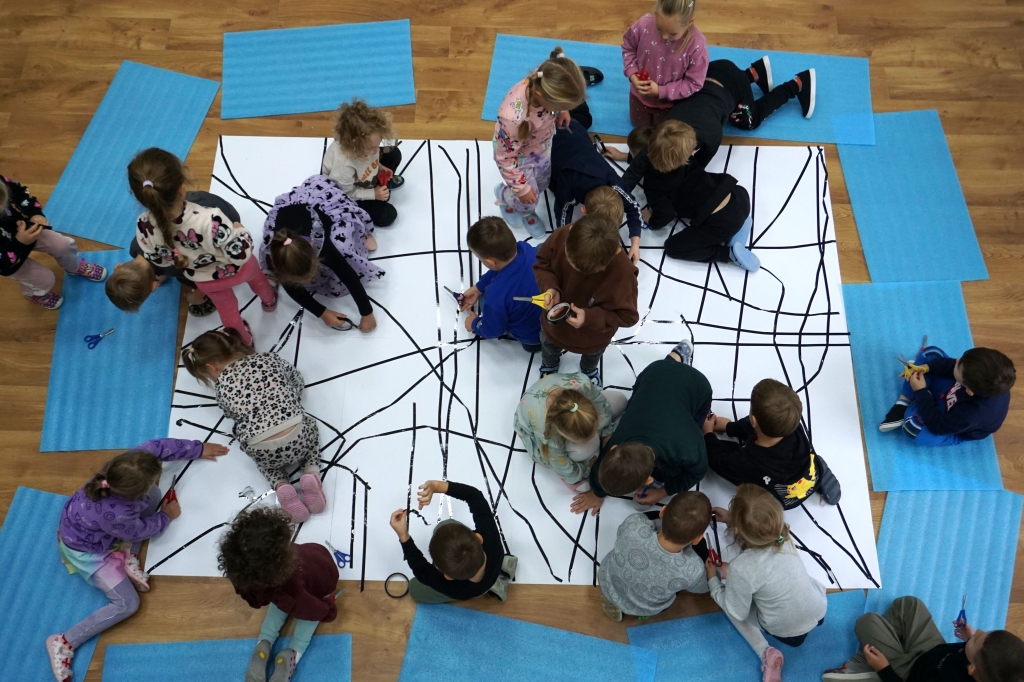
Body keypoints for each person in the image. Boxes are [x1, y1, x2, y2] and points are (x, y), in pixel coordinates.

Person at [46, 440, 228, 682]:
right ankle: (64, 641)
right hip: (86, 550)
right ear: (132, 495)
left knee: (154, 495)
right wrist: (165, 517)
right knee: (128, 604)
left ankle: (128, 555)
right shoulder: (118, 514)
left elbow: (160, 446)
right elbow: (140, 530)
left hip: (87, 523)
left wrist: (198, 449)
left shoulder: (128, 463)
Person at [128, 148, 276, 347]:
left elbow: (159, 260)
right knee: (259, 280)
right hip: (241, 270)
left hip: (205, 281)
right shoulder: (210, 219)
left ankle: (245, 341)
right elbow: (241, 254)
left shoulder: (143, 225)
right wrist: (240, 230)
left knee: (227, 311)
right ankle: (269, 302)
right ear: (182, 189)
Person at [181, 329, 325, 523]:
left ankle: (281, 484)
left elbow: (231, 415)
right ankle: (310, 472)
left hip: (263, 450)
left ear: (211, 367)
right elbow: (297, 380)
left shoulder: (221, 388)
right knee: (311, 427)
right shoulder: (268, 358)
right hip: (297, 436)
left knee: (264, 462)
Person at [605, 56, 815, 182]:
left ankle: (797, 84)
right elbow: (650, 155)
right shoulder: (666, 130)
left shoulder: (711, 136)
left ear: (691, 153)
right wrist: (626, 157)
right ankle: (754, 71)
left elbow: (694, 172)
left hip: (733, 87)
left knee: (750, 121)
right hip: (715, 70)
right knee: (723, 92)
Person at [573, 340, 711, 515]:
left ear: (648, 479)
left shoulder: (686, 448)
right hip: (655, 372)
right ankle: (675, 357)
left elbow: (697, 472)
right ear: (614, 448)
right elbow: (602, 467)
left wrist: (663, 491)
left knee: (674, 471)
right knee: (644, 394)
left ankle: (676, 357)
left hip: (697, 386)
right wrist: (597, 493)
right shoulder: (621, 439)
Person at [706, 484, 828, 682]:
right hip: (819, 608)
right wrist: (732, 518)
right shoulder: (783, 536)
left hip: (787, 632)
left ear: (737, 530)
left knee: (732, 606)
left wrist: (713, 581)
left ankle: (764, 650)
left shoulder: (740, 567)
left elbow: (737, 612)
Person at [219, 507, 340, 682]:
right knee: (305, 620)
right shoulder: (288, 580)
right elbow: (312, 609)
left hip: (300, 582)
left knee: (277, 607)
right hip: (319, 570)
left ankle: (264, 642)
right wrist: (329, 610)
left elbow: (255, 598)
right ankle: (292, 653)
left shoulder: (251, 577)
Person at [259, 176, 382, 332]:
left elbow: (348, 274)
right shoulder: (278, 253)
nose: (309, 280)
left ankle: (362, 233)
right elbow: (291, 288)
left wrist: (367, 313)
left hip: (321, 207)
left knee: (342, 246)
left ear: (314, 252)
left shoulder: (323, 246)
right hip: (289, 218)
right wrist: (322, 313)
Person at [533, 214, 639, 386]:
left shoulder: (623, 275)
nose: (572, 269)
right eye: (569, 259)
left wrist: (590, 317)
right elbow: (542, 262)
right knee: (549, 346)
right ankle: (550, 365)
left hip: (592, 338)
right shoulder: (561, 235)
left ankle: (588, 370)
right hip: (553, 327)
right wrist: (551, 287)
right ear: (571, 231)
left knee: (592, 356)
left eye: (581, 269)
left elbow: (628, 317)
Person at [493, 46, 587, 238]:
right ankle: (507, 197)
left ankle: (523, 204)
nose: (562, 109)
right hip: (518, 158)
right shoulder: (513, 119)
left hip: (542, 146)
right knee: (529, 197)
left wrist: (562, 110)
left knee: (543, 182)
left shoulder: (547, 75)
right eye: (560, 105)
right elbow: (505, 158)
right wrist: (521, 189)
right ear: (540, 96)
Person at [823, 596, 1024, 682]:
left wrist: (884, 669)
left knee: (866, 622)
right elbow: (976, 651)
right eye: (983, 632)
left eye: (977, 639)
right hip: (932, 652)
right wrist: (970, 639)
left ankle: (872, 666)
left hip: (909, 675)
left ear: (973, 670)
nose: (978, 631)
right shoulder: (985, 665)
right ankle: (885, 645)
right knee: (910, 604)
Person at [704, 378, 836, 509]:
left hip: (780, 499)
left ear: (754, 420)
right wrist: (729, 427)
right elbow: (752, 426)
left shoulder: (749, 462)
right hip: (808, 473)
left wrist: (708, 434)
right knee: (809, 465)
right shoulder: (791, 423)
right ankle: (818, 472)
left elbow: (722, 463)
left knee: (724, 457)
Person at [106, 190, 242, 316]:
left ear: (153, 286)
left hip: (227, 223)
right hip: (200, 201)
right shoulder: (135, 246)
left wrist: (197, 295)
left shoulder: (177, 266)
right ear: (118, 266)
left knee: (189, 279)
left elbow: (207, 274)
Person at [389, 480, 516, 603]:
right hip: (494, 561)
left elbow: (422, 570)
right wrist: (437, 486)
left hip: (478, 589)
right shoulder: (491, 539)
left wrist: (403, 536)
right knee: (445, 526)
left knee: (414, 589)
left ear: (448, 577)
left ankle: (494, 585)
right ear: (478, 538)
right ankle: (501, 567)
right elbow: (474, 496)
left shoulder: (457, 590)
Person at [549, 109, 647, 264]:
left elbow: (633, 207)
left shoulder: (613, 181)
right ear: (583, 210)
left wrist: (635, 243)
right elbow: (562, 215)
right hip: (553, 138)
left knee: (581, 117)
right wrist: (565, 242)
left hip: (576, 131)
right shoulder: (568, 189)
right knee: (552, 186)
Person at [598, 490, 712, 621]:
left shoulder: (633, 524)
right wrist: (717, 572)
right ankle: (639, 612)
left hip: (608, 578)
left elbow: (621, 531)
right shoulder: (692, 569)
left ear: (662, 512)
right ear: (697, 539)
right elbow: (703, 587)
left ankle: (611, 597)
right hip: (643, 607)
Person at [1, 175, 106, 310]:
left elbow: (18, 191)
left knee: (63, 245)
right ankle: (34, 293)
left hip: (25, 229)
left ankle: (74, 267)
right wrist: (19, 243)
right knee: (44, 279)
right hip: (7, 260)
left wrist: (34, 213)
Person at [879, 345, 1015, 446]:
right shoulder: (984, 378)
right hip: (951, 392)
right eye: (961, 359)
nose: (957, 360)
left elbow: (937, 426)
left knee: (913, 430)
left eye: (959, 364)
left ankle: (920, 394)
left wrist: (920, 391)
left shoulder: (970, 415)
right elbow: (951, 365)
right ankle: (903, 403)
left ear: (969, 390)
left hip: (949, 424)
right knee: (931, 353)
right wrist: (926, 367)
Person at [513, 372, 628, 489]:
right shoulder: (547, 431)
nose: (594, 435)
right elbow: (559, 462)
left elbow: (600, 402)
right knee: (584, 476)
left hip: (553, 397)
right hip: (534, 421)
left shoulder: (583, 384)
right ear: (563, 434)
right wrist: (587, 468)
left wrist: (606, 433)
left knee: (620, 400)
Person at [458, 216, 542, 352]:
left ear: (490, 262)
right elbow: (501, 269)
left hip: (534, 337)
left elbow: (492, 330)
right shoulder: (525, 248)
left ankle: (533, 345)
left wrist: (474, 323)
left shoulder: (495, 296)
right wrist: (478, 288)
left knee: (485, 302)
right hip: (558, 320)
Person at [622, 0, 709, 128]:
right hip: (638, 97)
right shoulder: (643, 24)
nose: (664, 36)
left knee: (663, 134)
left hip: (671, 104)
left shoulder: (696, 45)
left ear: (690, 22)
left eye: (672, 33)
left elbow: (694, 83)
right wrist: (632, 73)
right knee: (639, 128)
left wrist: (661, 91)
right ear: (656, 14)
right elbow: (628, 48)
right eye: (659, 28)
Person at [322, 98, 404, 228]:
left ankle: (380, 186)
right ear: (355, 145)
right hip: (349, 192)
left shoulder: (366, 146)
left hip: (363, 174)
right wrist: (373, 194)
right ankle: (377, 193)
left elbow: (372, 155)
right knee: (388, 215)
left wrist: (379, 166)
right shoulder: (343, 167)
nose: (377, 150)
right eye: (372, 148)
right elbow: (346, 194)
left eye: (378, 144)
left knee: (394, 153)